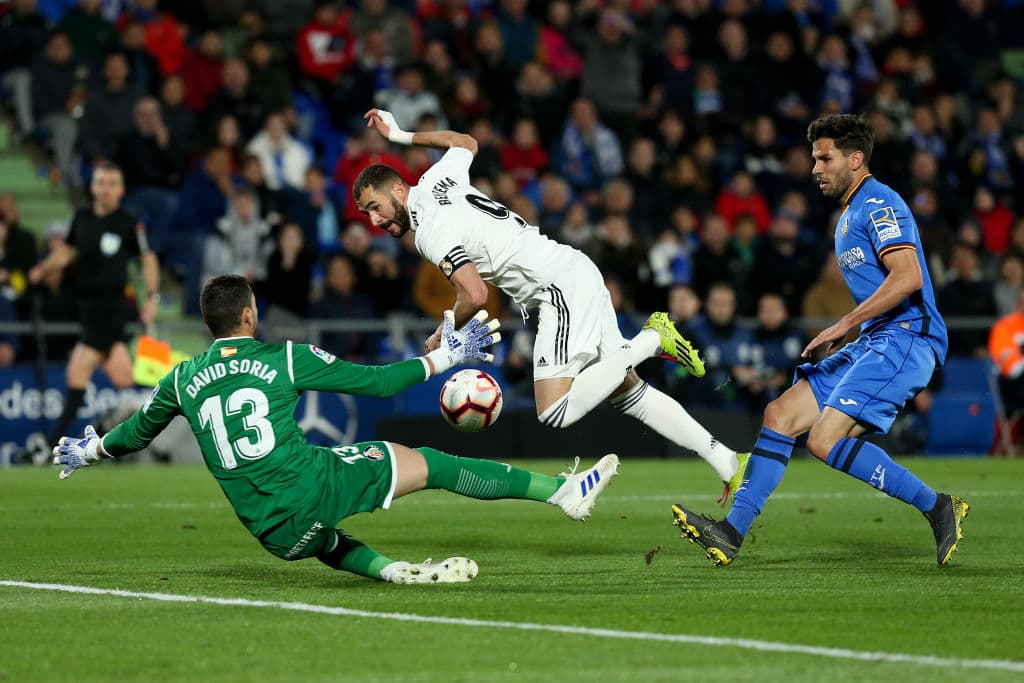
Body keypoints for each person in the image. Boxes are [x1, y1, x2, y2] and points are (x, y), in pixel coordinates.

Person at [51, 275, 620, 584]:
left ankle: (392, 571)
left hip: (271, 535)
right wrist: (447, 358)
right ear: (249, 315)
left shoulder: (181, 379)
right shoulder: (285, 359)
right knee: (433, 463)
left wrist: (91, 450)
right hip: (313, 487)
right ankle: (563, 493)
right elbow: (376, 383)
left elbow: (135, 433)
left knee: (320, 537)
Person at [353, 108, 749, 503]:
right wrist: (402, 135)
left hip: (556, 289)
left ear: (398, 192)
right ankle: (727, 461)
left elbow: (473, 294)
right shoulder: (437, 179)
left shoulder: (430, 233)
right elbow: (465, 143)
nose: (374, 221)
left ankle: (650, 339)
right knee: (628, 392)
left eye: (376, 207)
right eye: (366, 213)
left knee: (554, 410)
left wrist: (445, 329)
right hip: (574, 269)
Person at [671, 114, 970, 567]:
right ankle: (730, 532)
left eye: (824, 157)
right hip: (876, 341)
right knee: (780, 413)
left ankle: (937, 506)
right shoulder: (847, 217)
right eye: (814, 158)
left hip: (907, 338)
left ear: (855, 159)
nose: (815, 167)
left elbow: (907, 276)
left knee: (823, 440)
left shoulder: (881, 203)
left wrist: (841, 324)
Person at [26, 162, 161, 463]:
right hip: (87, 310)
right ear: (93, 187)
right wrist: (43, 268)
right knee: (124, 378)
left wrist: (152, 297)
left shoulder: (129, 223)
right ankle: (116, 433)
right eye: (101, 182)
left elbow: (148, 260)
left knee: (77, 373)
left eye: (112, 183)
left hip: (112, 309)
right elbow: (67, 252)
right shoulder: (82, 218)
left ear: (121, 189)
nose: (106, 188)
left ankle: (53, 449)